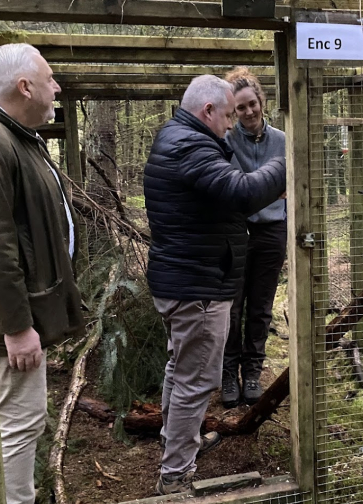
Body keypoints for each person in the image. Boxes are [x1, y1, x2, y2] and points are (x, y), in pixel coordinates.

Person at [143, 75, 286, 495]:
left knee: (178, 370)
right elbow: (241, 193)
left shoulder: (180, 137)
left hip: (188, 279)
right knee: (194, 383)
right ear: (208, 111)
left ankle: (177, 446)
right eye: (226, 115)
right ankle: (175, 478)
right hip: (198, 287)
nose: (230, 125)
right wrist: (289, 158)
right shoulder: (191, 145)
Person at [0, 43, 84, 504]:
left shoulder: (13, 134)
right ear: (25, 86)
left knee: (19, 421)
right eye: (50, 78)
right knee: (18, 424)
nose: (56, 87)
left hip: (19, 319)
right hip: (9, 329)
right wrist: (17, 327)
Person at [221, 67, 287, 408]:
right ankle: (228, 375)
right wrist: (264, 192)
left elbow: (290, 186)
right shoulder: (227, 140)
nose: (247, 112)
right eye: (240, 108)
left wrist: (265, 193)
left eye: (251, 104)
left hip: (273, 231)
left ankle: (252, 374)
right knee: (232, 307)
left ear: (262, 101)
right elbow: (230, 188)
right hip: (236, 233)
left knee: (261, 308)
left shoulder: (282, 141)